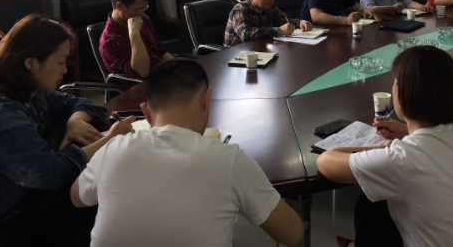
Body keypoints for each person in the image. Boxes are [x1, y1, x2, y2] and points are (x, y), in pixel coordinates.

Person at [70, 59, 304, 247]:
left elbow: (76, 197)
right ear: (205, 99)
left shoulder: (112, 148)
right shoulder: (229, 160)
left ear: (146, 112)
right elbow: (292, 234)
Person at [317, 47, 453, 247]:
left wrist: (384, 149)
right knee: (377, 206)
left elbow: (325, 162)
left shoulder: (401, 159)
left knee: (370, 204)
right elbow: (434, 144)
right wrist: (406, 131)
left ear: (403, 96)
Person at [0, 14, 135, 247]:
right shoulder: (0, 119)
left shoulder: (29, 90)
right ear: (31, 63)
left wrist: (75, 121)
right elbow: (51, 173)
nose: (64, 70)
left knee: (96, 190)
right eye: (60, 62)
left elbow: (81, 104)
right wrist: (110, 139)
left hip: (25, 194)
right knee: (94, 197)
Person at [99, 0, 174, 87]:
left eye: (144, 9)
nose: (142, 15)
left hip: (165, 77)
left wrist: (178, 67)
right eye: (139, 10)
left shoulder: (140, 18)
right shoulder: (110, 41)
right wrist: (134, 34)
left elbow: (160, 50)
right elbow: (143, 72)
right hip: (146, 89)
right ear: (120, 6)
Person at [224, 0, 313, 47]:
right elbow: (245, 33)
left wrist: (300, 22)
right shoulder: (241, 9)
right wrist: (277, 30)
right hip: (235, 56)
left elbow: (285, 21)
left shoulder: (270, 8)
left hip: (258, 51)